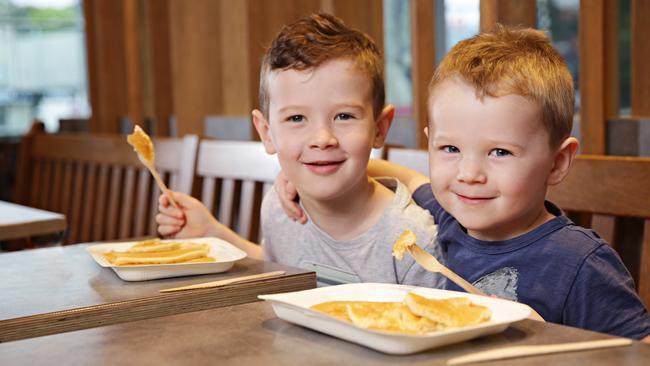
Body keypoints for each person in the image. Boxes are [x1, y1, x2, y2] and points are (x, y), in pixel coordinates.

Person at [277, 26, 650, 340]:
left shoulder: (580, 263)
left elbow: (638, 351)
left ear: (557, 162)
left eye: (500, 152)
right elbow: (405, 176)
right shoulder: (447, 213)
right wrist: (300, 177)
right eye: (450, 148)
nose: (469, 173)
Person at [156, 13, 444, 287]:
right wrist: (213, 234)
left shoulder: (413, 239)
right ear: (266, 132)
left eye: (344, 116)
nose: (321, 138)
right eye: (296, 118)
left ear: (380, 128)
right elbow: (280, 271)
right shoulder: (279, 209)